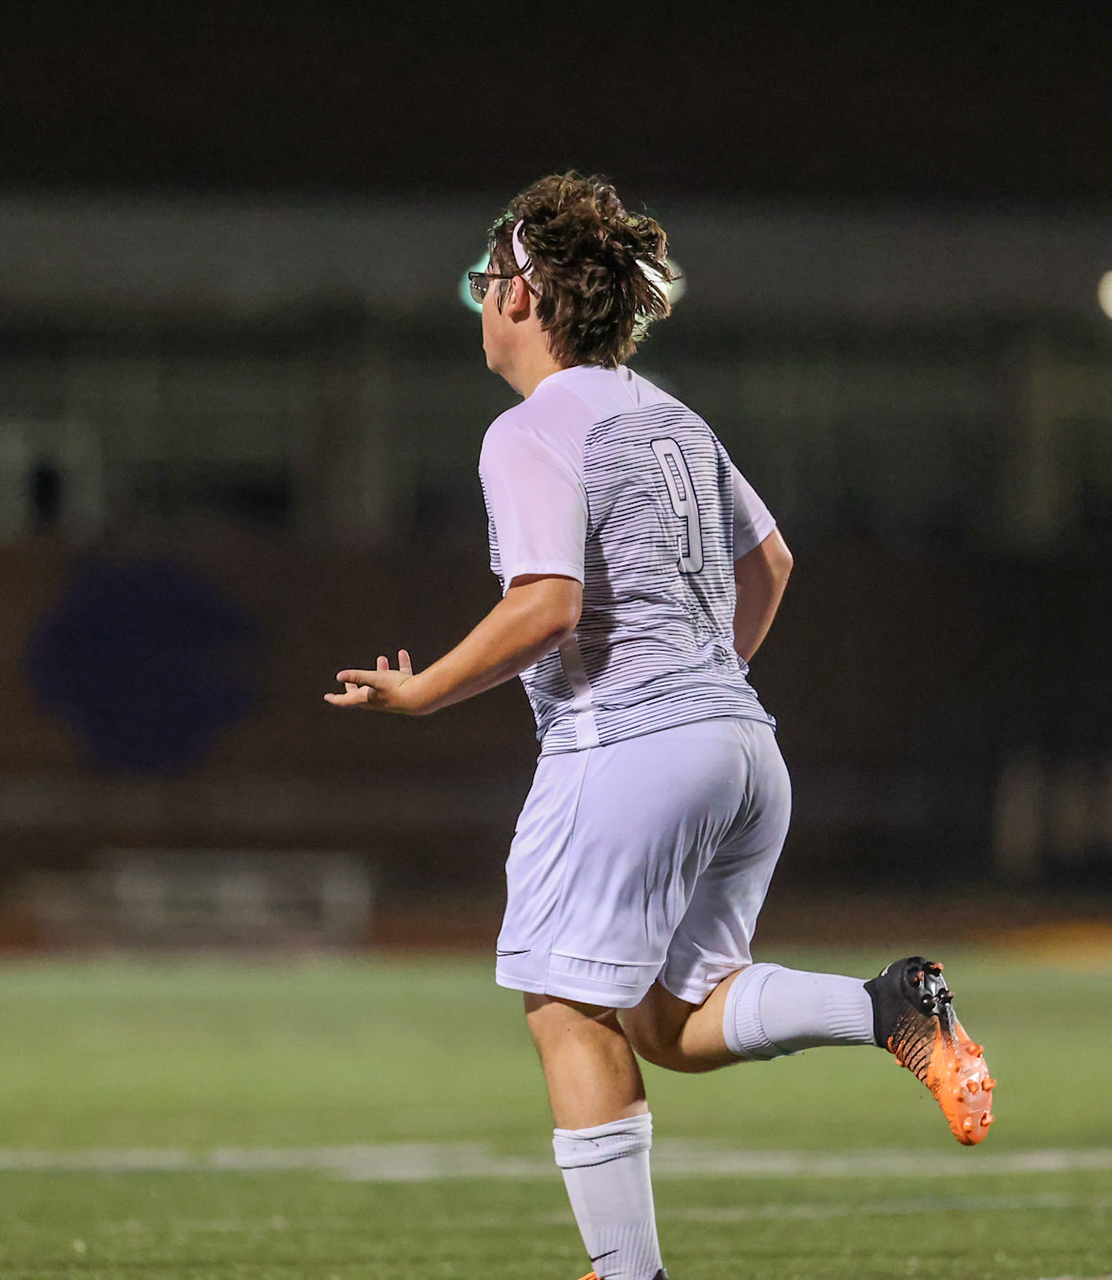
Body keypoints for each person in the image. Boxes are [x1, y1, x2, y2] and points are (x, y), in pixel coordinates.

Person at [324, 173, 993, 1280]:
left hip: (626, 750)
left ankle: (627, 1272)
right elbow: (770, 562)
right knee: (671, 1020)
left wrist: (424, 688)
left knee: (565, 1004)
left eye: (491, 281)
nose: (483, 303)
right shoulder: (672, 412)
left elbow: (548, 602)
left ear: (527, 297)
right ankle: (885, 1006)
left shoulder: (530, 428)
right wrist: (709, 681)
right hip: (744, 749)